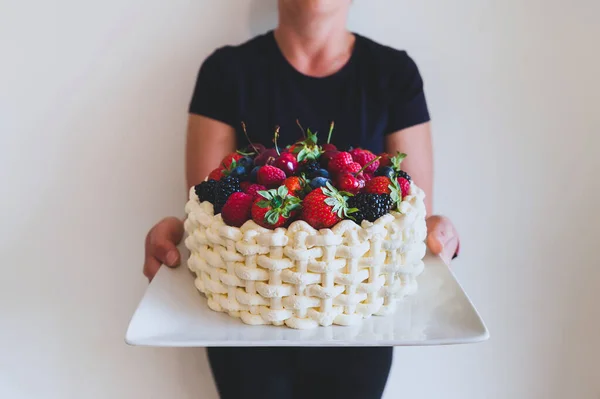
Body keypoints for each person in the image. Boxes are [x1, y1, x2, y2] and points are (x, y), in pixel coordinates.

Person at [143, 1, 460, 398]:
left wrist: (437, 234)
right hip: (247, 321)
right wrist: (184, 234)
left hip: (358, 324)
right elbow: (209, 208)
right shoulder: (225, 72)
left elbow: (412, 211)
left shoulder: (393, 74)